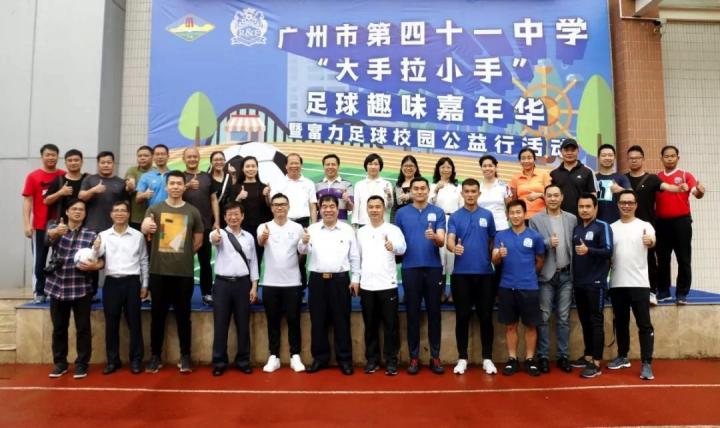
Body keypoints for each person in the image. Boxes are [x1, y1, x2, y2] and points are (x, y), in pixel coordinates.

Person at [141, 171, 204, 374]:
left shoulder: (193, 212)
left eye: (179, 183)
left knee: (183, 316)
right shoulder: (154, 209)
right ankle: (155, 356)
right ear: (166, 186)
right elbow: (145, 228)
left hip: (184, 273)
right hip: (158, 271)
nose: (175, 187)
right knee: (157, 316)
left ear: (184, 187)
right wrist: (145, 226)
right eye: (172, 183)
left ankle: (185, 356)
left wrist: (182, 255)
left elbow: (198, 241)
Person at [298, 195, 360, 375]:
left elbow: (354, 256)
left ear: (337, 208)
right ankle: (320, 359)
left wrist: (355, 278)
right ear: (319, 209)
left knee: (342, 321)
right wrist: (303, 241)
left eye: (332, 206)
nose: (328, 210)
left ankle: (345, 360)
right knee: (318, 321)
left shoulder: (347, 229)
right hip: (317, 280)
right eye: (324, 206)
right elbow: (303, 251)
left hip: (340, 281)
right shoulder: (312, 229)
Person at [44, 199, 103, 379]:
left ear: (85, 214)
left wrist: (95, 265)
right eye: (74, 209)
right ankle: (60, 363)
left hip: (81, 288)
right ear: (67, 212)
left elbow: (102, 260)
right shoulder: (57, 228)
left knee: (83, 328)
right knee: (59, 328)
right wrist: (54, 233)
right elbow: (46, 240)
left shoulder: (92, 235)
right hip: (57, 287)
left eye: (81, 210)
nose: (78, 212)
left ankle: (81, 364)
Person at [395, 177, 446, 375]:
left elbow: (441, 241)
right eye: (415, 188)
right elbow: (398, 242)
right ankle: (414, 357)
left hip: (433, 268)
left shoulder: (437, 212)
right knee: (412, 314)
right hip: (410, 268)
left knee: (434, 313)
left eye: (423, 188)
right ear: (411, 191)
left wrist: (434, 238)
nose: (419, 191)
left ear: (428, 190)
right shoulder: (401, 213)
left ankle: (435, 356)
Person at [446, 178, 497, 375]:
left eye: (473, 191)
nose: (470, 194)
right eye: (466, 191)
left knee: (486, 317)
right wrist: (454, 248)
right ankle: (462, 358)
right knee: (463, 317)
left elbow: (492, 240)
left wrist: (489, 257)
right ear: (462, 194)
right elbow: (450, 240)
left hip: (485, 275)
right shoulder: (455, 217)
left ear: (478, 193)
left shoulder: (487, 215)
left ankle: (487, 358)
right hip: (461, 275)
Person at [491, 200, 545, 377]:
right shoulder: (501, 236)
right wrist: (499, 255)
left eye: (518, 212)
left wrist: (528, 275)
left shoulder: (535, 237)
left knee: (531, 326)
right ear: (507, 215)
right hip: (507, 287)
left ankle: (529, 360)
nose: (515, 216)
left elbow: (540, 261)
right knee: (510, 326)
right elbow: (494, 260)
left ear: (524, 213)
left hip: (529, 287)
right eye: (512, 213)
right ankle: (512, 359)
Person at [624, 145, 683, 305]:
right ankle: (626, 292)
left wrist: (678, 188)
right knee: (625, 257)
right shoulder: (622, 179)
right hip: (626, 225)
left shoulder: (652, 179)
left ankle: (651, 292)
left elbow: (667, 187)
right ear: (627, 160)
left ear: (643, 159)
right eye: (631, 158)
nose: (634, 160)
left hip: (647, 226)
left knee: (650, 258)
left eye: (637, 158)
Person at [95, 200, 148, 375]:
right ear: (111, 214)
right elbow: (97, 256)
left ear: (128, 214)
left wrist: (145, 284)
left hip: (132, 282)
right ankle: (113, 361)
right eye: (116, 210)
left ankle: (136, 360)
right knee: (111, 324)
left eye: (123, 210)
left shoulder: (138, 236)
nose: (119, 213)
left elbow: (143, 261)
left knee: (135, 323)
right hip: (111, 283)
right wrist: (95, 248)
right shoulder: (103, 235)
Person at [608, 190, 656, 380]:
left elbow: (652, 240)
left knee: (644, 324)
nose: (626, 206)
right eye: (623, 202)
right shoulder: (611, 228)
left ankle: (647, 363)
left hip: (639, 284)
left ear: (636, 205)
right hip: (617, 283)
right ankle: (622, 356)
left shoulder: (645, 226)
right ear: (618, 205)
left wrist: (650, 241)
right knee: (621, 322)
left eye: (630, 203)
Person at [529, 184, 577, 374]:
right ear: (544, 197)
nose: (553, 199)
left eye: (556, 195)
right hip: (546, 275)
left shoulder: (571, 218)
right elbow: (532, 244)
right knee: (544, 316)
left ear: (562, 197)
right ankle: (542, 356)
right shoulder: (535, 220)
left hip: (566, 274)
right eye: (549, 195)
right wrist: (548, 243)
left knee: (564, 318)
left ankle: (563, 356)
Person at [356, 196, 406, 376]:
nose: (374, 210)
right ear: (367, 210)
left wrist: (393, 246)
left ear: (384, 209)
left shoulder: (393, 229)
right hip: (367, 286)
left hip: (387, 284)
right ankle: (372, 360)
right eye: (371, 207)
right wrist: (356, 279)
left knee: (391, 326)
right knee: (370, 325)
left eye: (378, 207)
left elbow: (403, 248)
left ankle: (391, 361)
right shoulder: (361, 232)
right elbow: (356, 258)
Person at [209, 201, 259, 376]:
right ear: (224, 217)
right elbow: (213, 239)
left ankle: (243, 361)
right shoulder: (220, 234)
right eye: (229, 214)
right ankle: (219, 362)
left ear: (242, 216)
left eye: (236, 214)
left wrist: (254, 286)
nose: (233, 217)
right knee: (220, 325)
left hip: (243, 285)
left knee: (243, 325)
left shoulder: (249, 237)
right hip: (222, 285)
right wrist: (215, 238)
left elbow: (253, 262)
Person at [257, 193, 306, 373]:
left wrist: (305, 242)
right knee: (273, 321)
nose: (279, 207)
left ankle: (295, 355)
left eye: (283, 204)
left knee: (294, 320)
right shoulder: (264, 226)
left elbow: (303, 251)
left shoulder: (297, 227)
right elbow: (260, 242)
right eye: (276, 204)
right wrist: (263, 237)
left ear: (288, 206)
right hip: (270, 283)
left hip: (292, 282)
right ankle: (274, 356)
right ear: (271, 208)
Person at [655, 145, 705, 304]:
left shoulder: (685, 175)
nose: (670, 159)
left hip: (681, 222)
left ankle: (682, 293)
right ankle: (663, 292)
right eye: (666, 156)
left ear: (678, 157)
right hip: (661, 223)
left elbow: (696, 192)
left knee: (683, 258)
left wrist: (700, 191)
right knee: (662, 259)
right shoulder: (657, 177)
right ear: (661, 158)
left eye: (672, 156)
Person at [571, 193, 613, 378]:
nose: (584, 210)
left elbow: (608, 251)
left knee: (596, 322)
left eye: (588, 206)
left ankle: (596, 362)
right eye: (581, 207)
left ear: (595, 208)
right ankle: (588, 355)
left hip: (596, 283)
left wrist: (589, 250)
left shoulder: (602, 226)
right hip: (579, 283)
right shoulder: (577, 229)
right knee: (585, 321)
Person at [22, 143, 65, 303]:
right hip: (40, 226)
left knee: (60, 259)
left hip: (60, 225)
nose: (51, 157)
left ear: (58, 156)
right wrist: (27, 224)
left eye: (54, 155)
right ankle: (39, 291)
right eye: (48, 155)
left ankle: (57, 290)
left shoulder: (63, 175)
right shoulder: (33, 176)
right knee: (39, 260)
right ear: (42, 156)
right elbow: (27, 201)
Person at [182, 147, 220, 306]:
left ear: (199, 158)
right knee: (183, 263)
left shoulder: (207, 177)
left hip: (204, 226)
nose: (192, 159)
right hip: (183, 227)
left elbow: (213, 199)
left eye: (195, 156)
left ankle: (207, 293)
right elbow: (172, 193)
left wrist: (217, 221)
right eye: (189, 157)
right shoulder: (179, 177)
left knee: (205, 262)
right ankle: (182, 294)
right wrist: (186, 186)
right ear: (184, 159)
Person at [273, 153, 317, 289]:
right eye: (291, 163)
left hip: (303, 223)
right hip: (284, 223)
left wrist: (313, 226)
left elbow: (312, 206)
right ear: (286, 166)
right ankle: (282, 286)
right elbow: (273, 204)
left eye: (297, 163)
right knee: (283, 257)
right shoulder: (279, 182)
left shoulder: (308, 183)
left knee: (301, 257)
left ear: (301, 165)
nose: (294, 166)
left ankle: (300, 289)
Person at [429, 157, 462, 302]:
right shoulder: (432, 186)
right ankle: (440, 292)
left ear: (452, 170)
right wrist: (436, 189)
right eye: (442, 167)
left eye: (448, 167)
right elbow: (428, 204)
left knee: (454, 258)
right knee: (440, 258)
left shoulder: (458, 187)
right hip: (438, 224)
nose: (445, 170)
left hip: (454, 222)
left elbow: (462, 207)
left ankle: (454, 293)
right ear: (438, 169)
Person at [233, 156, 272, 269]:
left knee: (257, 260)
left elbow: (269, 207)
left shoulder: (264, 187)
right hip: (242, 228)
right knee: (242, 259)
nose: (250, 169)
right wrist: (239, 198)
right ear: (242, 169)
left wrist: (267, 196)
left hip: (260, 228)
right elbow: (231, 208)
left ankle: (255, 281)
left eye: (253, 166)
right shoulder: (236, 187)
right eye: (247, 166)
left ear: (257, 168)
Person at [78, 151, 130, 233]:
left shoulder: (121, 182)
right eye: (103, 162)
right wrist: (93, 190)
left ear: (113, 164)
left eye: (109, 162)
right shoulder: (89, 179)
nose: (106, 165)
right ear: (98, 164)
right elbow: (81, 197)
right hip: (92, 226)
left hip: (114, 227)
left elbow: (126, 205)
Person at [550, 138, 598, 216]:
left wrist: (593, 217)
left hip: (582, 216)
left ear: (578, 151)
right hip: (560, 217)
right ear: (561, 152)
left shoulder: (587, 172)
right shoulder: (554, 173)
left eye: (572, 150)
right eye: (566, 150)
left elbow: (593, 195)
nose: (569, 153)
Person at [44, 149, 86, 224]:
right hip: (63, 224)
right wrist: (60, 193)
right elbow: (46, 201)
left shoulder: (87, 179)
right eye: (70, 160)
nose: (73, 163)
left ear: (82, 162)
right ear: (65, 163)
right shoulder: (59, 180)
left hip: (86, 224)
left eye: (76, 160)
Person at [352, 153, 394, 227]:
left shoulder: (386, 184)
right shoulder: (359, 184)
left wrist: (389, 196)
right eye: (370, 164)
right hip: (363, 222)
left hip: (382, 222)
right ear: (366, 166)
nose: (373, 167)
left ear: (380, 167)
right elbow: (356, 205)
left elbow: (389, 206)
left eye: (376, 164)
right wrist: (354, 221)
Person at [510, 147, 551, 219]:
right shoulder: (515, 178)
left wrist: (540, 195)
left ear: (534, 159)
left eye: (529, 158)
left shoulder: (544, 175)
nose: (526, 161)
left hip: (542, 217)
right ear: (520, 161)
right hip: (522, 217)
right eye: (523, 158)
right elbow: (514, 201)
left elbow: (551, 196)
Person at [595, 144, 631, 224]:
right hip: (596, 223)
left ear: (614, 158)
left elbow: (632, 195)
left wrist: (621, 190)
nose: (607, 158)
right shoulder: (593, 178)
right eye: (604, 155)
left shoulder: (622, 177)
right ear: (599, 158)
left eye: (610, 155)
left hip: (617, 223)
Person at [315, 154, 354, 221]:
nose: (330, 167)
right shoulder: (317, 185)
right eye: (327, 164)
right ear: (323, 167)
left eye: (333, 164)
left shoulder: (347, 184)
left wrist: (347, 201)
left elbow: (350, 208)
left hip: (341, 224)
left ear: (338, 166)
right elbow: (315, 208)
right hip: (321, 224)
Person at [124, 145, 153, 230]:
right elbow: (129, 184)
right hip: (135, 217)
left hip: (153, 215)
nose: (142, 158)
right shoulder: (132, 170)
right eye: (140, 156)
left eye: (146, 156)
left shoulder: (157, 172)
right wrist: (130, 187)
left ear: (152, 157)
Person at [136, 144, 171, 208]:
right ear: (153, 157)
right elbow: (137, 199)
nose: (160, 157)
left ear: (168, 156)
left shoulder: (174, 175)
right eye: (157, 154)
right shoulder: (145, 176)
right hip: (153, 212)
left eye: (163, 154)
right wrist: (144, 195)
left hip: (171, 212)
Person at [392, 155, 421, 223]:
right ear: (401, 168)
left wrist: (409, 196)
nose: (408, 168)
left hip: (417, 220)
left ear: (416, 168)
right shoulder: (398, 186)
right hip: (400, 221)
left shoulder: (420, 183)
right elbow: (395, 208)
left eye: (411, 166)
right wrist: (393, 223)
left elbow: (423, 198)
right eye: (405, 166)